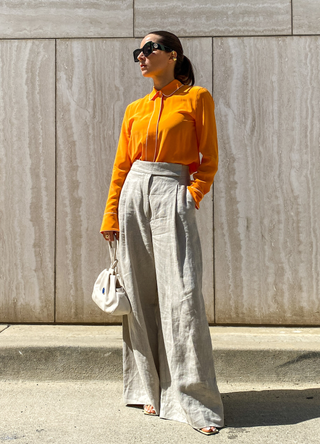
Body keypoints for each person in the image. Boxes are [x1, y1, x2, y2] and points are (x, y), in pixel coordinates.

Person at [100, 30, 224, 435]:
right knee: (138, 294)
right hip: (133, 194)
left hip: (173, 192)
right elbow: (122, 164)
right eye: (138, 51)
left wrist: (192, 195)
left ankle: (195, 400)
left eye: (150, 49)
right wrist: (111, 214)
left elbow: (208, 158)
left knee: (182, 295)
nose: (141, 55)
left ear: (172, 55)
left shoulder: (196, 98)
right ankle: (149, 390)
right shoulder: (135, 107)